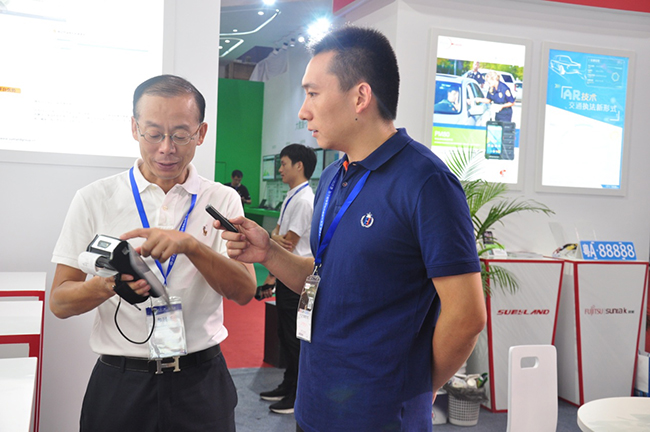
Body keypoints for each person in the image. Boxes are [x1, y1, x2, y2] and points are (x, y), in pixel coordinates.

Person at [218, 26, 487, 431]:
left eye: (312, 93)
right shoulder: (332, 177)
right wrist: (269, 253)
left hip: (380, 416)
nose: (302, 111)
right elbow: (325, 277)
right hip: (315, 404)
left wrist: (419, 386)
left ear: (360, 97)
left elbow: (467, 315)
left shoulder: (426, 182)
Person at [50, 74, 257, 432]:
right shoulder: (94, 198)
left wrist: (191, 246)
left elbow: (244, 291)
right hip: (121, 382)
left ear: (201, 133)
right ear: (134, 128)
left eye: (180, 135)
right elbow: (59, 302)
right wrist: (108, 285)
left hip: (200, 381)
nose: (166, 148)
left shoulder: (222, 199)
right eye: (154, 133)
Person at [259, 144, 316, 415]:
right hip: (287, 276)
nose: (280, 169)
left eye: (283, 164)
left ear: (299, 166)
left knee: (297, 338)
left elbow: (287, 242)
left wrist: (273, 238)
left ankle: (297, 395)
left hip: (301, 281)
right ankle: (288, 384)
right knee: (285, 333)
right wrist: (274, 238)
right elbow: (276, 234)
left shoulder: (304, 200)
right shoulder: (292, 196)